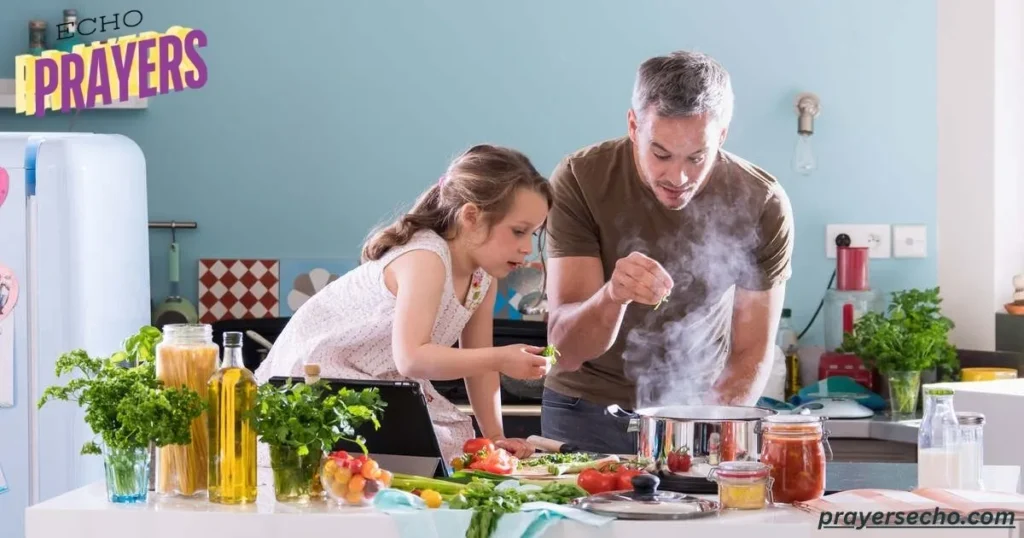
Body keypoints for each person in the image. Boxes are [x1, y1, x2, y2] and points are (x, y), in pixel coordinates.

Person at [541, 50, 795, 455]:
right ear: (633, 125)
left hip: (700, 412)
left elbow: (751, 351)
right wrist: (613, 294)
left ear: (722, 136)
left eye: (697, 157)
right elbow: (566, 352)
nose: (678, 177)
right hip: (584, 407)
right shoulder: (581, 178)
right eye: (660, 154)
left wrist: (709, 429)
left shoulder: (761, 201)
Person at [254, 144, 553, 465]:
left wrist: (495, 437)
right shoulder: (426, 258)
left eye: (533, 235)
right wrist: (501, 358)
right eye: (519, 231)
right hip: (316, 380)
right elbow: (412, 358)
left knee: (438, 463)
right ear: (471, 217)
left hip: (374, 387)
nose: (527, 249)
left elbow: (480, 368)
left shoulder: (483, 277)